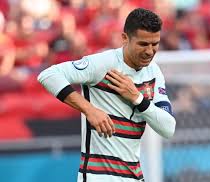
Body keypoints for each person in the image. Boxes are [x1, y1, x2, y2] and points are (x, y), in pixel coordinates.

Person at [38, 8, 176, 182]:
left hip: (134, 176)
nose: (149, 51)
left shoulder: (154, 72)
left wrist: (137, 98)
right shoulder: (104, 63)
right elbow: (48, 76)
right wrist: (89, 110)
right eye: (143, 44)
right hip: (99, 176)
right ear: (125, 38)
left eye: (154, 44)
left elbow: (168, 128)